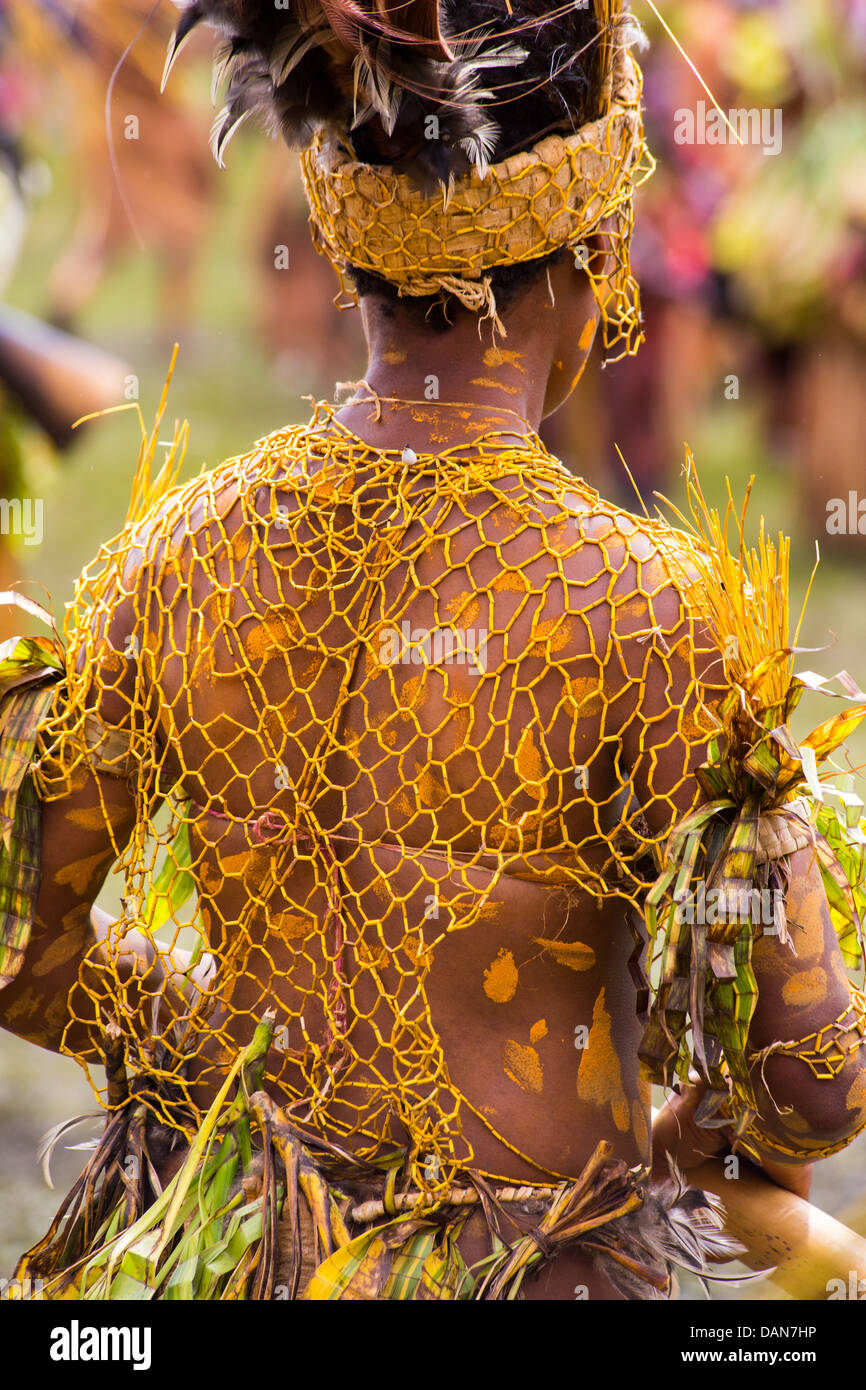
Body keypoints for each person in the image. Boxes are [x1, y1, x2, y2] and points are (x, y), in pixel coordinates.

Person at [1, 0, 865, 1301]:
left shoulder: (175, 558)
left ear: (343, 244)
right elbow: (809, 1082)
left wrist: (217, 1053)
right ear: (589, 249)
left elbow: (24, 944)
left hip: (252, 1262)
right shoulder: (643, 604)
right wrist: (691, 1134)